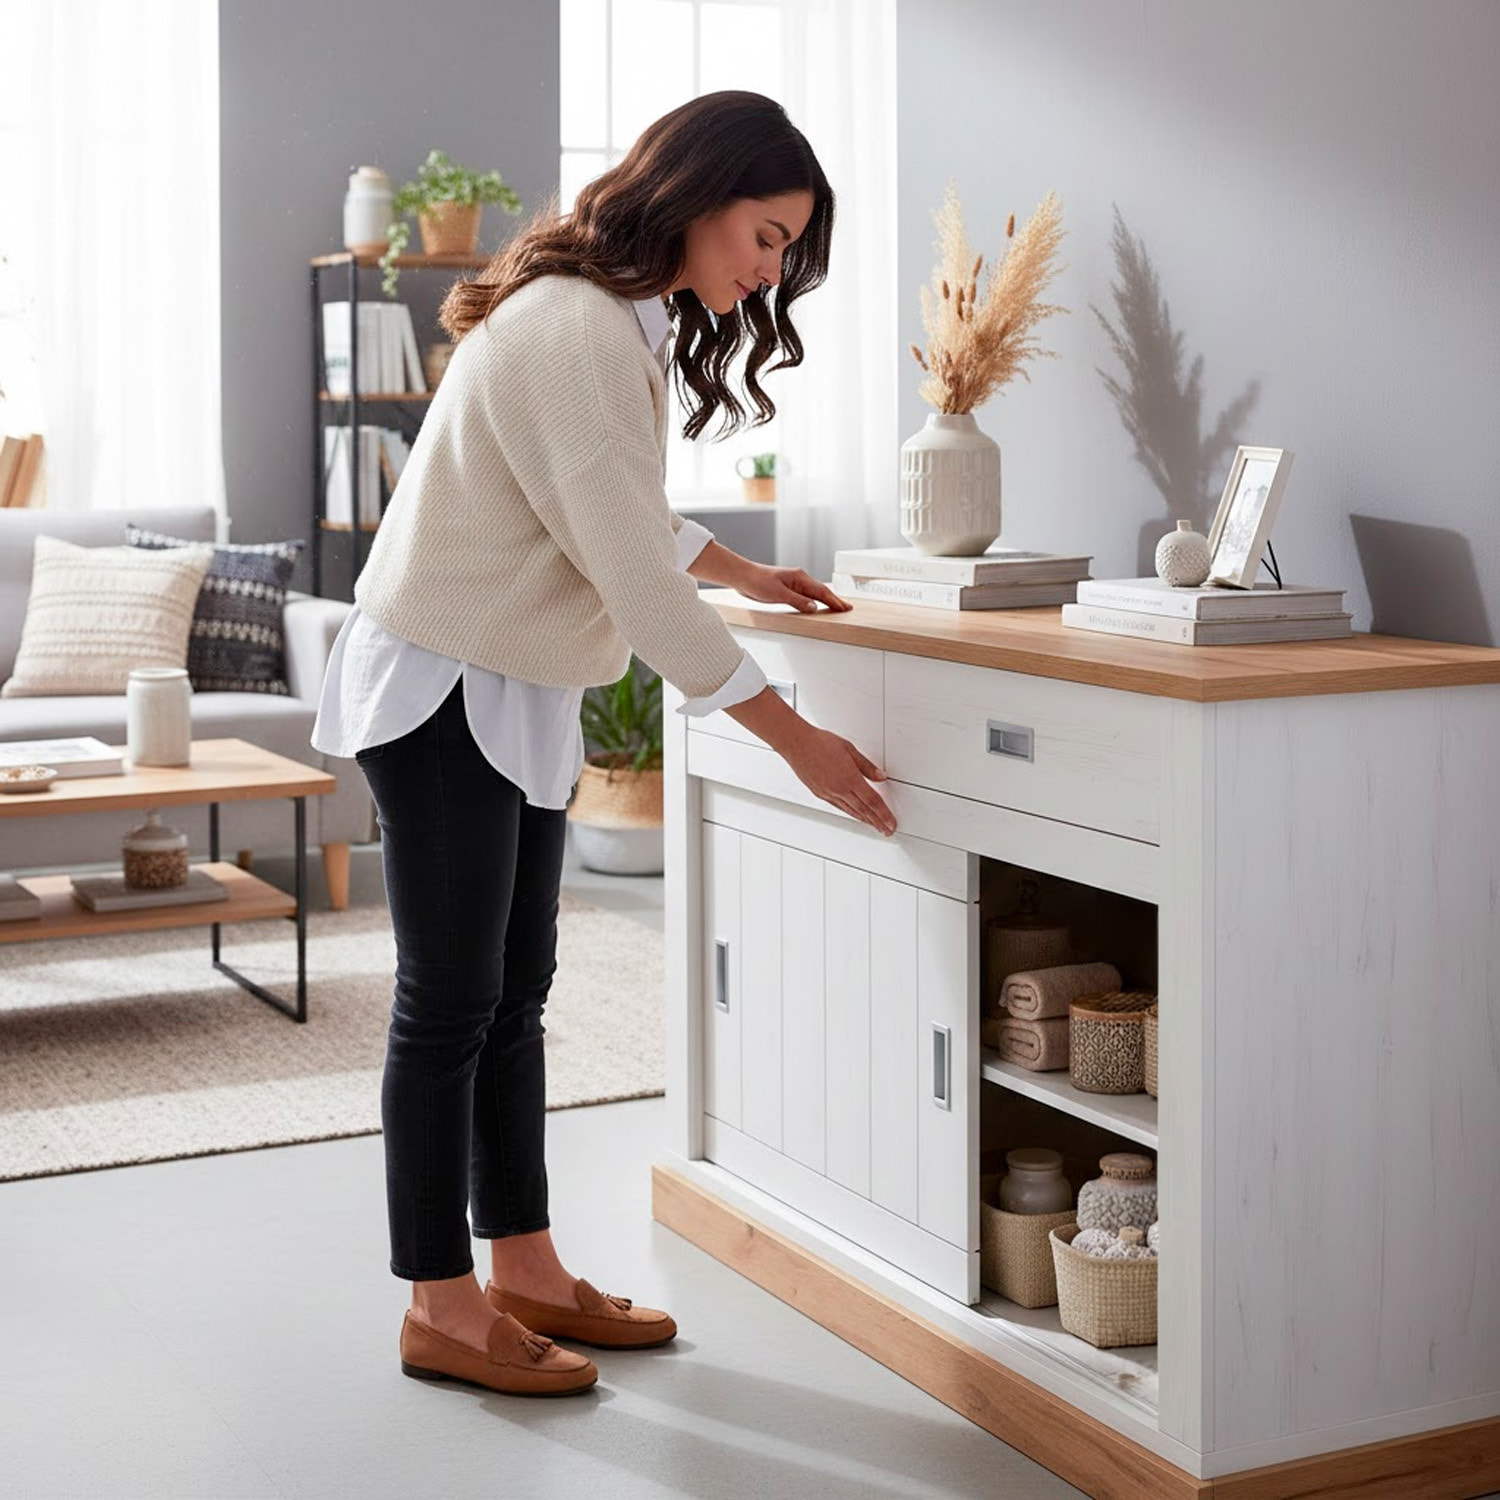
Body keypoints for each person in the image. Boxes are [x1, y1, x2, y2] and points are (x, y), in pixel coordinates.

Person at [311, 90, 896, 1399]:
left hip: (506, 680)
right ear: (694, 197)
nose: (770, 272)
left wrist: (739, 564)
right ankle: (439, 1304)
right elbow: (628, 570)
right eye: (765, 235)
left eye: (788, 252)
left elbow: (604, 497)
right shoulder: (578, 325)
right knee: (449, 1004)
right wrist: (792, 735)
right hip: (447, 680)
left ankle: (521, 1264)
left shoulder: (604, 317)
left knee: (511, 998)